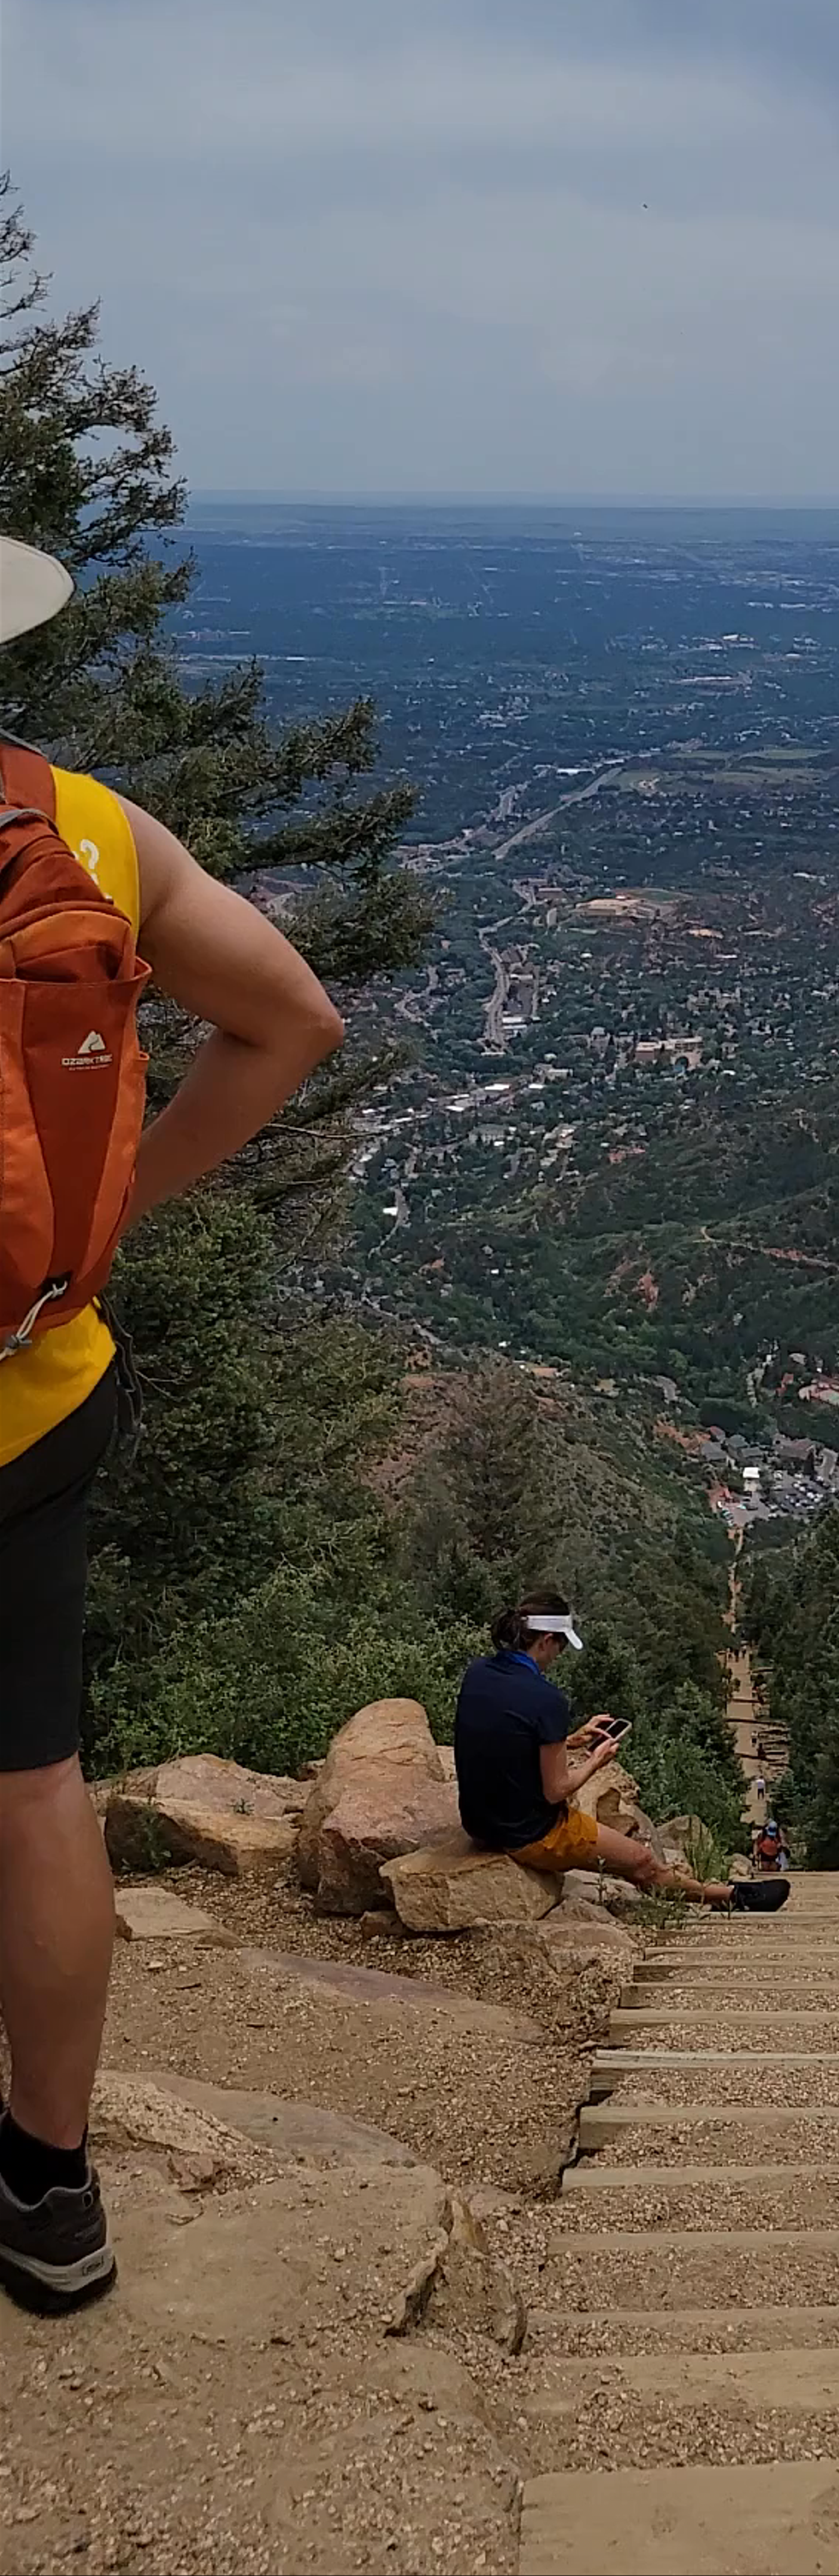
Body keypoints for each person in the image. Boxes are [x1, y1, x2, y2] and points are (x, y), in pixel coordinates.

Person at [0, 535, 347, 2316]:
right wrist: (109, 1221)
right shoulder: (87, 833)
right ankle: (52, 2203)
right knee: (36, 1778)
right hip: (32, 1391)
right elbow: (290, 1018)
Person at [453, 1592, 791, 1915]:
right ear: (545, 1642)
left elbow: (505, 1734)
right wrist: (595, 1762)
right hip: (528, 1833)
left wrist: (569, 1740)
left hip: (480, 1822)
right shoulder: (546, 1698)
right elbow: (555, 1789)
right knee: (641, 1862)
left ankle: (722, 1893)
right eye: (560, 1647)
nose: (558, 1657)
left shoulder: (479, 1672)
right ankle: (729, 1896)